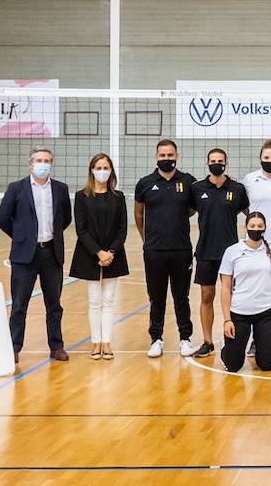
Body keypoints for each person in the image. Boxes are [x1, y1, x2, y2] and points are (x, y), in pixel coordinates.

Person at [0, 148, 72, 365]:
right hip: (24, 256)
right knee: (19, 305)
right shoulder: (16, 188)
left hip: (51, 253)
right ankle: (14, 348)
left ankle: (56, 346)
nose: (43, 164)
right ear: (31, 164)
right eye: (39, 160)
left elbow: (65, 218)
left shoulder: (60, 189)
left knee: (54, 304)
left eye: (47, 160)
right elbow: (3, 218)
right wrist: (23, 238)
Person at [135, 139, 199, 358]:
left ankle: (185, 339)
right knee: (157, 298)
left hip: (181, 250)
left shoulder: (188, 181)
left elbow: (192, 210)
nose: (166, 159)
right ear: (156, 157)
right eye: (162, 156)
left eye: (170, 155)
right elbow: (139, 214)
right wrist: (147, 240)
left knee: (182, 298)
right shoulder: (145, 183)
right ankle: (156, 339)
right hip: (154, 252)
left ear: (177, 156)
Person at [70, 153, 129, 361]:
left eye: (106, 167)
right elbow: (81, 229)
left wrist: (110, 252)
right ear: (92, 170)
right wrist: (99, 252)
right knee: (94, 301)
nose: (102, 171)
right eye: (98, 167)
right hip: (90, 254)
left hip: (114, 255)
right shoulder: (81, 196)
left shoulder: (118, 197)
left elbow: (122, 230)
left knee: (109, 300)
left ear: (111, 170)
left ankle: (107, 341)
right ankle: (96, 342)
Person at [190, 148, 247, 358]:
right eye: (213, 161)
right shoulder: (197, 188)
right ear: (207, 163)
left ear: (226, 162)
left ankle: (232, 338)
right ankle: (207, 341)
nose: (217, 163)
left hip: (231, 253)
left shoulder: (237, 188)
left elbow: (250, 214)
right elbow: (186, 210)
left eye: (220, 160)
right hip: (205, 251)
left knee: (231, 296)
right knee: (207, 295)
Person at [218, 212, 271, 372]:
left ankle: (263, 345)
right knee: (233, 365)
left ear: (265, 228)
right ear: (246, 226)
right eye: (252, 226)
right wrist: (227, 320)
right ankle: (228, 350)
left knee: (266, 364)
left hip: (267, 311)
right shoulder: (232, 251)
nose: (256, 229)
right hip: (240, 312)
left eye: (260, 226)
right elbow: (226, 287)